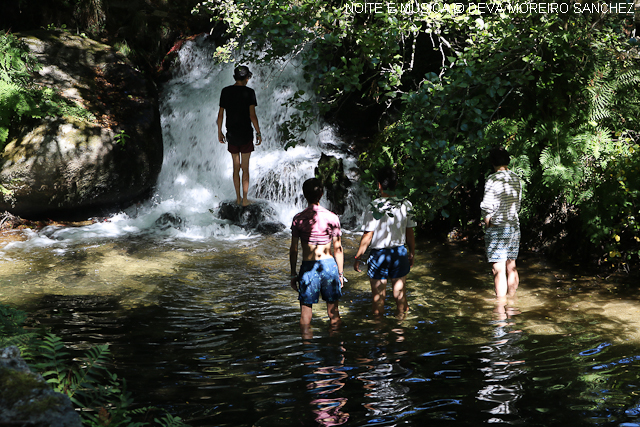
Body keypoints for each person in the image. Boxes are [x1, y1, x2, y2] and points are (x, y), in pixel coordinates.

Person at [353, 166, 416, 317]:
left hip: (379, 255)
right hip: (399, 253)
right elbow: (410, 232)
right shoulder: (406, 205)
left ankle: (379, 335)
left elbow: (368, 235)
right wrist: (412, 252)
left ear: (379, 185)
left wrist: (358, 256)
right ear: (396, 184)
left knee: (378, 300)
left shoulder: (373, 206)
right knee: (400, 297)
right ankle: (401, 333)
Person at [290, 178, 344, 333]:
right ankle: (336, 351)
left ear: (304, 195)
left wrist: (293, 274)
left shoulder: (298, 219)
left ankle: (308, 353)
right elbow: (338, 248)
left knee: (305, 316)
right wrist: (340, 274)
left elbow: (294, 250)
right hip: (329, 266)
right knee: (333, 314)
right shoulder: (332, 217)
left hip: (308, 267)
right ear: (322, 193)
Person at [480, 146, 523, 298]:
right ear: (508, 161)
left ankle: (500, 309)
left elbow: (487, 206)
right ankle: (511, 304)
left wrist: (488, 224)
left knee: (498, 270)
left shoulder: (492, 179)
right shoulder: (516, 178)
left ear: (492, 162)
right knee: (511, 266)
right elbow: (517, 203)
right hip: (514, 227)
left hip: (497, 228)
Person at [217, 65, 262, 206]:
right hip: (246, 134)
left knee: (235, 167)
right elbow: (252, 116)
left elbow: (220, 115)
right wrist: (258, 132)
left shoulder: (225, 91)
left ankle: (237, 198)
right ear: (247, 78)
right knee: (245, 168)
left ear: (235, 77)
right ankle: (245, 199)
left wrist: (219, 132)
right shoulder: (249, 92)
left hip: (232, 135)